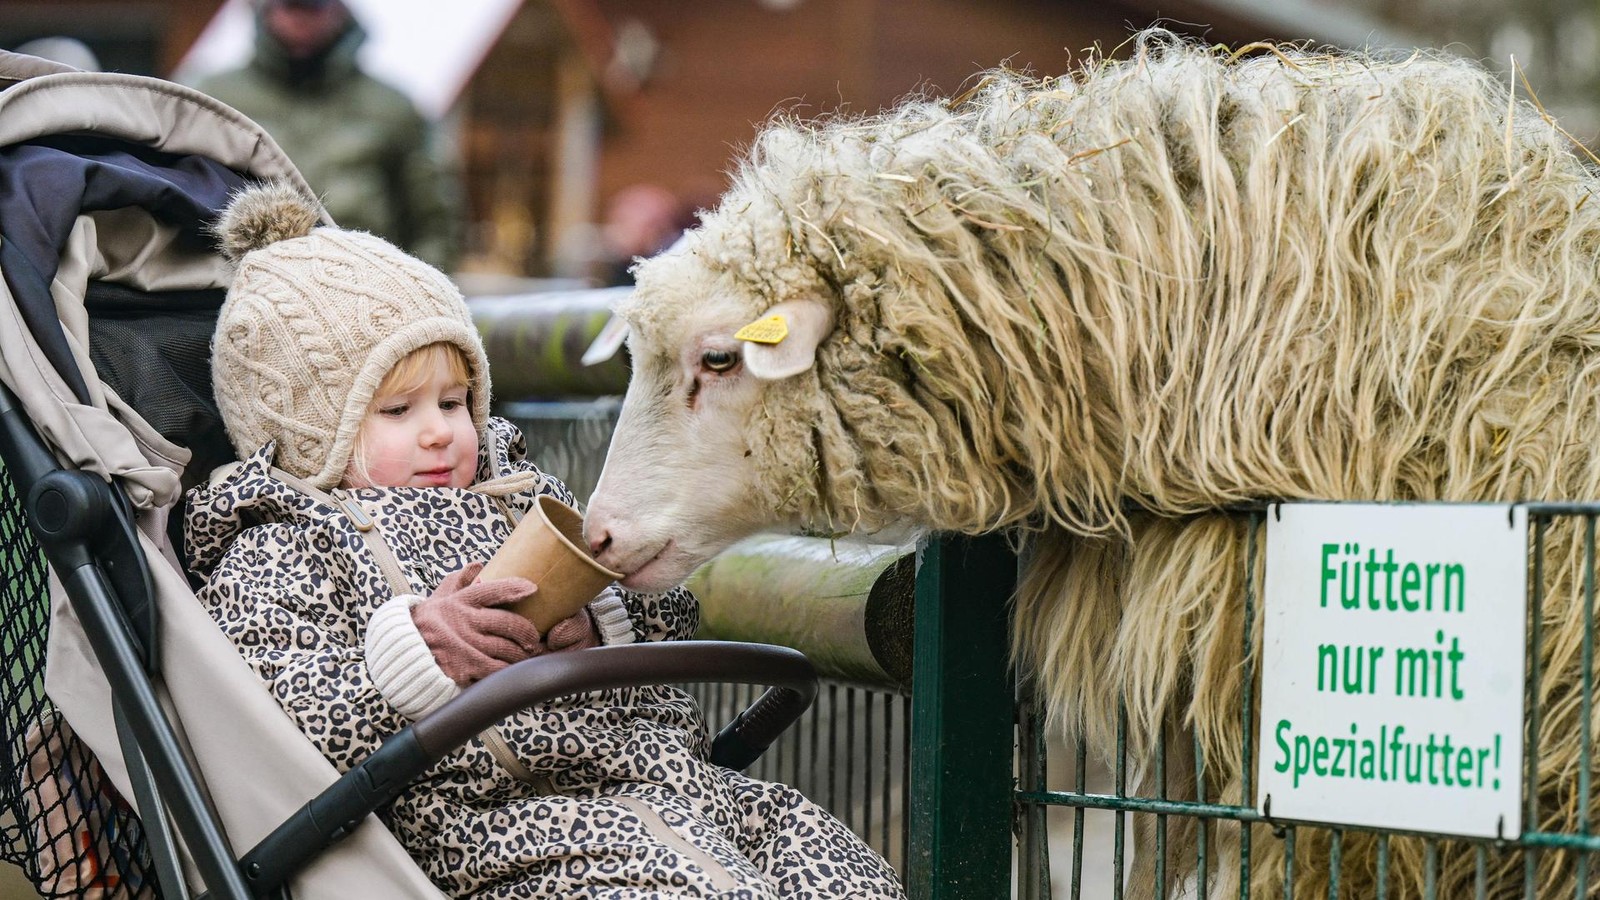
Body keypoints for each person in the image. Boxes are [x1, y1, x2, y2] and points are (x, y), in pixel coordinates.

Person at [184, 181, 905, 899]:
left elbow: (667, 619)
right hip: (497, 830)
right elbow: (274, 725)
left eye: (455, 401)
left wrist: (600, 622)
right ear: (311, 434)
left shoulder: (524, 496)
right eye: (398, 410)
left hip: (673, 786)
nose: (440, 430)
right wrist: (418, 653)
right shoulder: (282, 544)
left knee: (824, 850)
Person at [194, 0, 461, 271]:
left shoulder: (394, 109)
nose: (301, 19)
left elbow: (436, 223)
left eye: (314, 7)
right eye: (290, 6)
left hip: (363, 291)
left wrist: (412, 292)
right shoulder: (212, 100)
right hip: (236, 290)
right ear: (265, 9)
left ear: (340, 10)